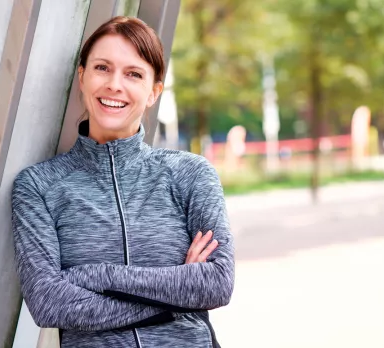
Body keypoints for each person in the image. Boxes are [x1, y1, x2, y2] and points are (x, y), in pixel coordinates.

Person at [12, 16, 234, 348]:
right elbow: (49, 304)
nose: (115, 84)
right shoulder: (38, 187)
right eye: (103, 68)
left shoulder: (191, 174)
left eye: (133, 74)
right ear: (82, 77)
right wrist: (176, 297)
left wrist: (96, 276)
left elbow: (216, 283)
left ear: (153, 92)